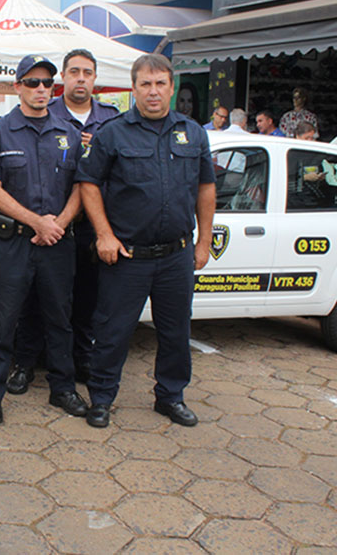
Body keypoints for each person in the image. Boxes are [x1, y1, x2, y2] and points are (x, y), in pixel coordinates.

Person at [77, 53, 216, 429]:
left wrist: (204, 243)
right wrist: (104, 234)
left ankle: (170, 397)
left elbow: (206, 188)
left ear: (171, 88)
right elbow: (87, 184)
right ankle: (102, 398)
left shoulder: (193, 132)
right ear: (133, 88)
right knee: (112, 332)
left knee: (176, 332)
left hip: (176, 257)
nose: (153, 92)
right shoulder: (112, 132)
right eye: (145, 84)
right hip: (128, 257)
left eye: (160, 84)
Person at [0, 54, 89, 424]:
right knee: (1, 321)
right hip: (14, 243)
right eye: (33, 82)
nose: (41, 89)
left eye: (47, 84)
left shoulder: (69, 133)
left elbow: (81, 188)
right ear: (18, 87)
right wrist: (36, 222)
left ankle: (63, 389)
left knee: (60, 319)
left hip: (57, 244)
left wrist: (57, 224)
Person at [7, 48, 119, 395]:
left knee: (85, 297)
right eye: (74, 72)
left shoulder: (112, 120)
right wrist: (50, 224)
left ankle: (80, 359)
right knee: (35, 299)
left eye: (87, 72)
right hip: (49, 225)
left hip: (93, 224)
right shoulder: (45, 113)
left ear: (95, 79)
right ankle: (25, 362)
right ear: (63, 80)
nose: (81, 78)